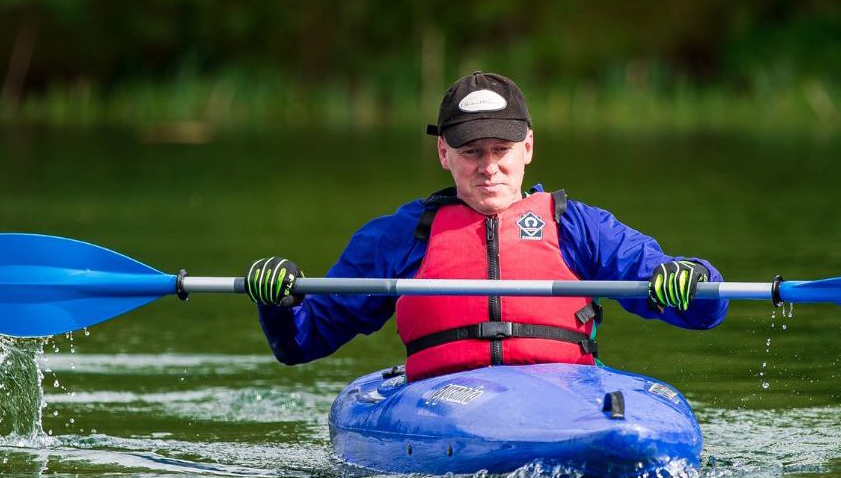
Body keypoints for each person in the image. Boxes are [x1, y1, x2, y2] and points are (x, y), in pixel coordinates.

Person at [245, 72, 726, 380]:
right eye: (471, 152)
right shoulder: (398, 237)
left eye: (501, 151)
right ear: (443, 154)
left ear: (529, 148)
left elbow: (704, 311)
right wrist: (278, 301)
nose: (488, 167)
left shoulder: (578, 227)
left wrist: (694, 275)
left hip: (564, 400)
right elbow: (302, 342)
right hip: (442, 405)